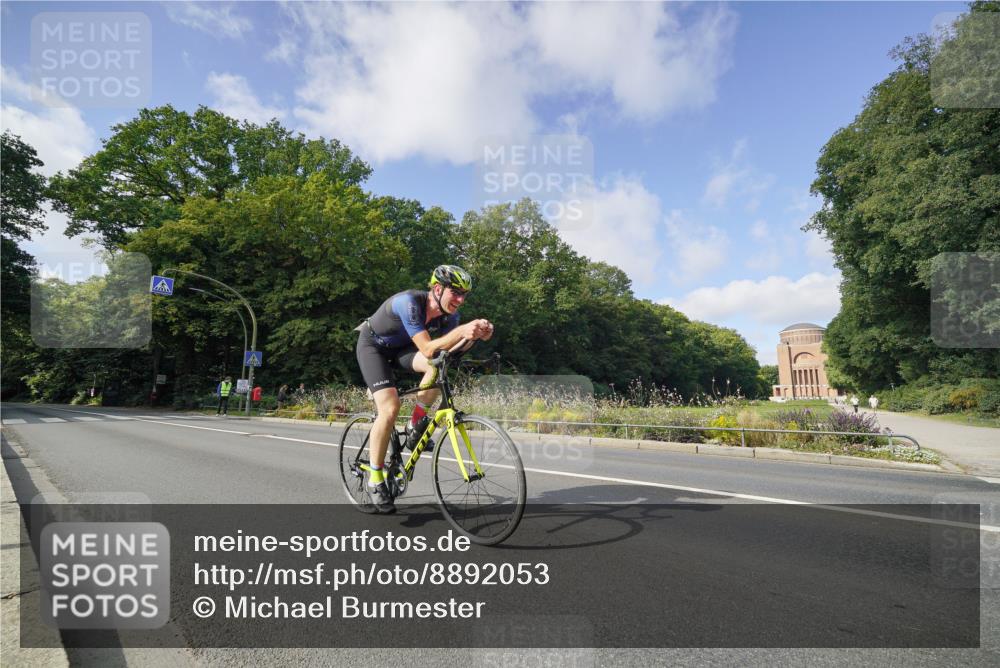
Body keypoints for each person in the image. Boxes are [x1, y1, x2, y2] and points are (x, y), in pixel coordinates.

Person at [355, 265, 493, 514]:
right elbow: (428, 348)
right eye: (456, 293)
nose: (460, 300)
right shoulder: (408, 303)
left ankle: (414, 425)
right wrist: (462, 331)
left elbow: (446, 353)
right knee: (390, 408)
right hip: (373, 347)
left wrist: (473, 337)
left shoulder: (450, 317)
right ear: (437, 289)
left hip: (402, 350)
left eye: (464, 295)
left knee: (436, 367)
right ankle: (375, 479)